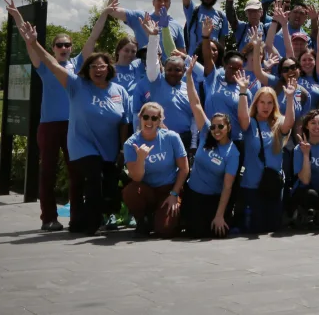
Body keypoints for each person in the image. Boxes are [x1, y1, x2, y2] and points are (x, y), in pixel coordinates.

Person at [17, 19, 132, 236]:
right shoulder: (75, 83)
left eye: (102, 66)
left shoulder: (118, 90)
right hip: (75, 138)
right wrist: (32, 42)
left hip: (105, 145)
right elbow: (50, 63)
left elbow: (124, 121)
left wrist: (123, 148)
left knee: (95, 181)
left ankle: (81, 220)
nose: (98, 70)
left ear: (109, 68)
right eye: (94, 67)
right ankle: (76, 221)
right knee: (85, 177)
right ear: (87, 70)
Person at [6, 0, 104, 232]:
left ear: (71, 47)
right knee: (48, 172)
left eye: (67, 44)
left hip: (74, 127)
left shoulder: (80, 64)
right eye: (59, 45)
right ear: (53, 49)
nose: (63, 48)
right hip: (49, 125)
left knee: (76, 172)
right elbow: (30, 42)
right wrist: (18, 17)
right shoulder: (45, 66)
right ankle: (48, 218)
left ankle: (77, 218)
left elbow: (93, 37)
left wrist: (108, 7)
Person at [181, 57, 238, 238]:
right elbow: (195, 104)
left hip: (213, 199)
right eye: (213, 126)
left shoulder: (232, 152)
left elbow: (227, 187)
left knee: (215, 233)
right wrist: (189, 76)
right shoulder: (205, 133)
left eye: (220, 126)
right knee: (191, 233)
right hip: (193, 195)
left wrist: (219, 215)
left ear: (228, 127)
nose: (216, 130)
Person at [122, 102, 189, 237]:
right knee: (130, 191)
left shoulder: (171, 137)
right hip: (147, 189)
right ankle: (143, 219)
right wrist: (141, 158)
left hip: (168, 190)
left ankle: (166, 218)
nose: (149, 121)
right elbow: (136, 178)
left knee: (164, 230)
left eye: (154, 118)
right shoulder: (130, 144)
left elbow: (184, 169)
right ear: (140, 118)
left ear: (159, 121)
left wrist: (174, 194)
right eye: (146, 117)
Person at [238, 80, 297, 233]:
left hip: (273, 185)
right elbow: (242, 117)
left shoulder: (278, 123)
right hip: (252, 185)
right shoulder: (250, 123)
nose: (266, 106)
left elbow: (289, 123)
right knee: (255, 228)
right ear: (256, 104)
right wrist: (243, 91)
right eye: (262, 102)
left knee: (272, 228)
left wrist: (290, 98)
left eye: (270, 103)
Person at [110, 0, 185, 60]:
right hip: (141, 70)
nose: (162, 3)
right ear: (153, 2)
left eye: (166, 1)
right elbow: (113, 11)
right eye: (159, 0)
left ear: (170, 3)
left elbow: (181, 55)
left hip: (165, 72)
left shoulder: (176, 26)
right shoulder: (141, 17)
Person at [139, 23, 194, 151]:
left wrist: (194, 143)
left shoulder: (188, 87)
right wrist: (153, 37)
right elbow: (152, 62)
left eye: (177, 70)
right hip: (159, 136)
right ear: (164, 69)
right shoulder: (156, 81)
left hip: (185, 138)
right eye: (169, 69)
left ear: (184, 71)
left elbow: (193, 117)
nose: (173, 73)